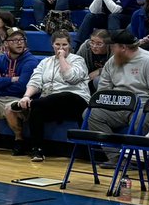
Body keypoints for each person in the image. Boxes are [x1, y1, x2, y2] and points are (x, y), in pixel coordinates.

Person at [85, 30, 149, 164]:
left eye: (113, 47)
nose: (111, 50)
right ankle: (117, 158)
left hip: (143, 105)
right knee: (91, 114)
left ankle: (136, 159)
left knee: (142, 118)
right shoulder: (112, 61)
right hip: (118, 104)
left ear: (123, 48)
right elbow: (103, 89)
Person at [12, 30, 90, 163]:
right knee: (37, 110)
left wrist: (61, 58)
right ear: (52, 45)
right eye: (57, 44)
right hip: (51, 102)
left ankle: (31, 104)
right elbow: (35, 81)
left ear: (70, 46)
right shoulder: (45, 62)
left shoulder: (78, 60)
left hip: (76, 100)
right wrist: (26, 96)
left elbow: (71, 78)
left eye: (64, 45)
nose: (61, 48)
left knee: (63, 95)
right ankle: (37, 149)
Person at [0, 29, 40, 156]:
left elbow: (22, 86)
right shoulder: (0, 60)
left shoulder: (30, 61)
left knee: (9, 109)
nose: (19, 43)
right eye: (14, 40)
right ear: (6, 43)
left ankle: (19, 140)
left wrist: (0, 82)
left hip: (20, 99)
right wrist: (11, 79)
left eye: (21, 40)